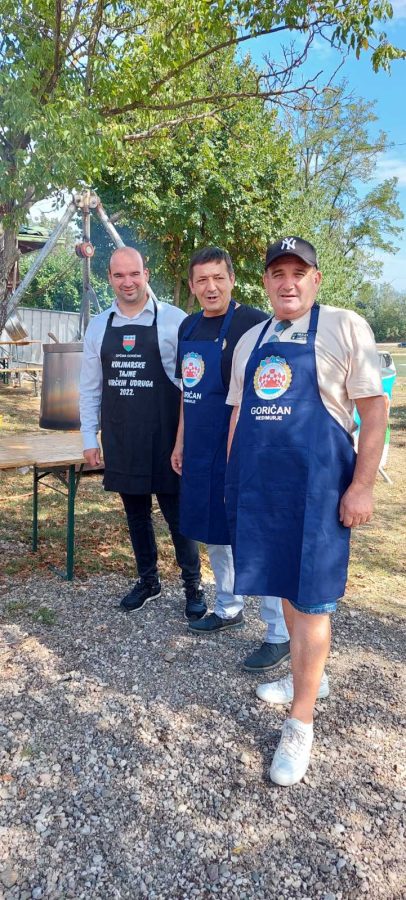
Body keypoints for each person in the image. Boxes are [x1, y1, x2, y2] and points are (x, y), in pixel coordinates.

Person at [225, 236, 387, 785]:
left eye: (299, 272)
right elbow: (239, 415)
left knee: (312, 600)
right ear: (265, 282)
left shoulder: (344, 326)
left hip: (318, 492)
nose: (288, 282)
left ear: (316, 279)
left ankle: (301, 722)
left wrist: (361, 486)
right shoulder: (251, 340)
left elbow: (374, 411)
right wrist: (234, 480)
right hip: (264, 491)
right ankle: (305, 680)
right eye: (278, 273)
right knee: (284, 588)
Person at [171, 246, 290, 671]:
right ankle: (228, 607)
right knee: (214, 531)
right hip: (200, 448)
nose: (211, 287)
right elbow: (187, 392)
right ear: (191, 286)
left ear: (232, 280)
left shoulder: (255, 324)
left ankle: (279, 632)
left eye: (218, 277)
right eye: (202, 280)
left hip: (243, 446)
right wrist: (180, 442)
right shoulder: (188, 326)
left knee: (255, 535)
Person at [79, 246, 206, 620]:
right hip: (122, 436)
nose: (127, 282)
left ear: (145, 274)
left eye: (134, 273)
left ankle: (193, 585)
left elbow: (189, 386)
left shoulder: (174, 320)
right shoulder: (99, 325)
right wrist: (88, 437)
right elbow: (90, 387)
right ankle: (148, 581)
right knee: (136, 514)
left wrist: (185, 440)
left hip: (166, 438)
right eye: (119, 275)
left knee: (178, 518)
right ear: (109, 279)